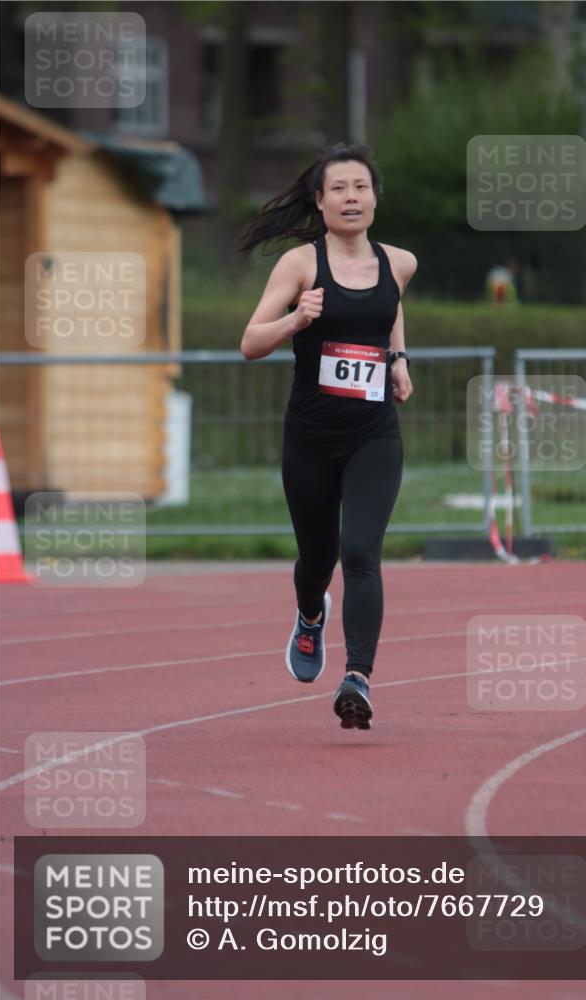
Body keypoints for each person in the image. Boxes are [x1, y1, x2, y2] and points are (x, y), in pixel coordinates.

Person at [237, 143, 417, 730]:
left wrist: (398, 360)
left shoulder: (400, 263)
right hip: (311, 437)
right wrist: (296, 318)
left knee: (361, 552)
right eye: (338, 188)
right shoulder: (300, 265)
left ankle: (358, 678)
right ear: (319, 201)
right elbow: (250, 342)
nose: (350, 197)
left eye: (360, 187)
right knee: (318, 559)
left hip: (374, 434)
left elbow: (389, 309)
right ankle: (310, 616)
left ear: (375, 198)